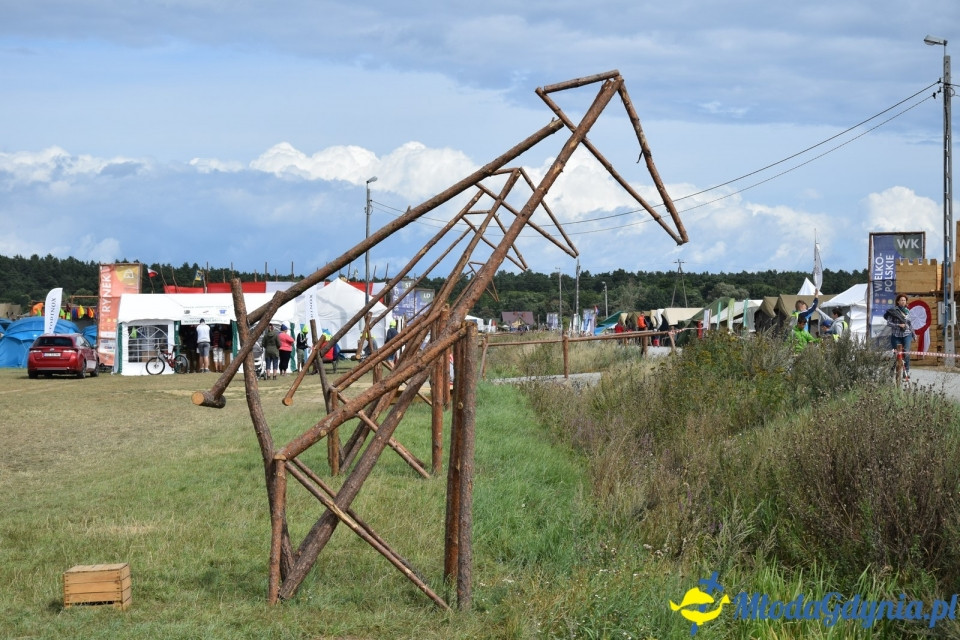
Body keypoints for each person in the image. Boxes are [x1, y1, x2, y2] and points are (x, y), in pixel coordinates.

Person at [884, 294, 916, 381]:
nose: (903, 302)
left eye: (904, 300)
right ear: (898, 301)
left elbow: (910, 324)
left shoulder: (908, 311)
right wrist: (898, 325)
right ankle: (892, 372)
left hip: (907, 334)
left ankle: (906, 372)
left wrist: (914, 334)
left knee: (906, 353)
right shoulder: (893, 311)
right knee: (896, 354)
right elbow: (888, 323)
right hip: (896, 335)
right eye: (901, 300)